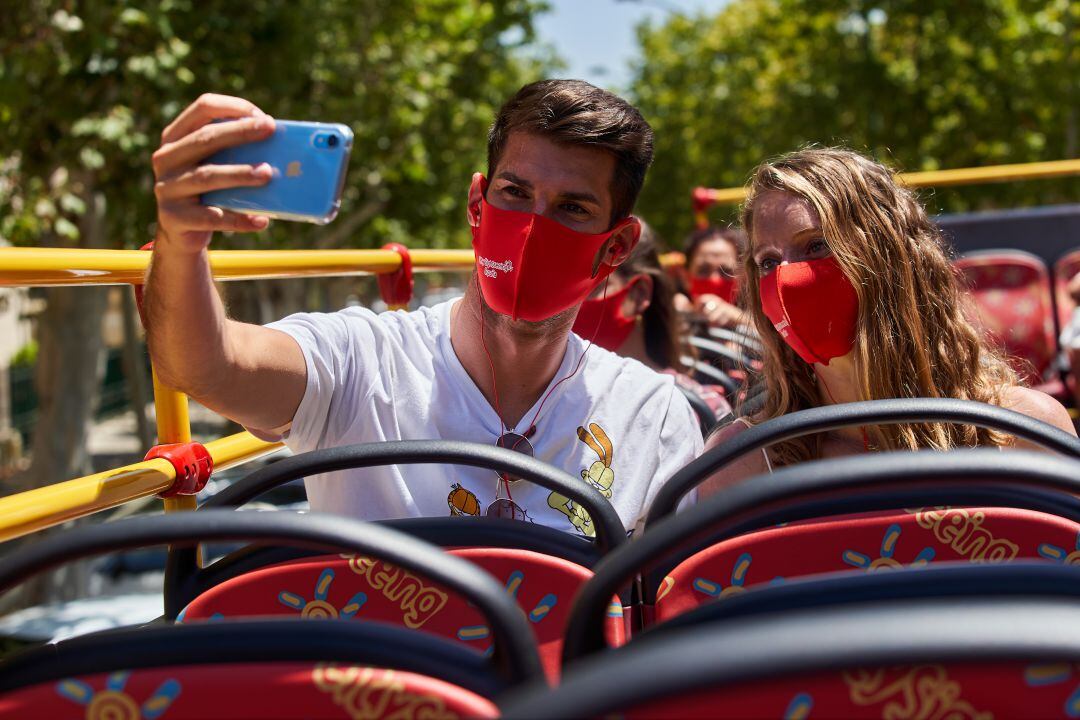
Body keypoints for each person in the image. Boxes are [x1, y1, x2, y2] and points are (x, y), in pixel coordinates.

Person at [145, 82, 702, 536]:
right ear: (476, 207)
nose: (534, 227)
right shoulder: (361, 362)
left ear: (616, 248)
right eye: (514, 193)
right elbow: (205, 366)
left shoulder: (652, 417)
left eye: (572, 208)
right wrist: (180, 241)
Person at [701, 147, 1076, 495]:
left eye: (816, 245)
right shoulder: (742, 463)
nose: (786, 278)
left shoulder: (1023, 430)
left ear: (890, 258)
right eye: (768, 261)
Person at [571, 222, 733, 419]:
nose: (567, 305)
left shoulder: (696, 409)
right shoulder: (548, 399)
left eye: (591, 287)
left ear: (639, 294)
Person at [677, 225, 747, 329]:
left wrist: (742, 321)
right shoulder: (674, 314)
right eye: (703, 270)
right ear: (685, 277)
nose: (715, 279)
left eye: (726, 271)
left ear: (743, 278)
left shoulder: (763, 319)